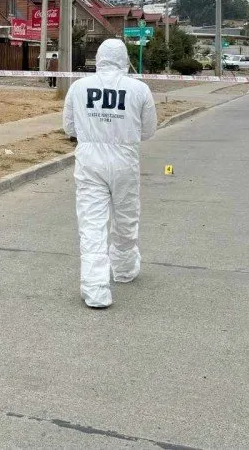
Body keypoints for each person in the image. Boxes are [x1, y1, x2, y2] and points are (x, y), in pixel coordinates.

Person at [62, 39, 157, 308]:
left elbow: (69, 126)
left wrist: (93, 133)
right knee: (126, 216)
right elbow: (148, 130)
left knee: (92, 224)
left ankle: (95, 290)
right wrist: (122, 133)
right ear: (125, 59)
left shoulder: (79, 87)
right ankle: (125, 269)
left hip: (90, 161)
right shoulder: (139, 89)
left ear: (100, 58)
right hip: (125, 159)